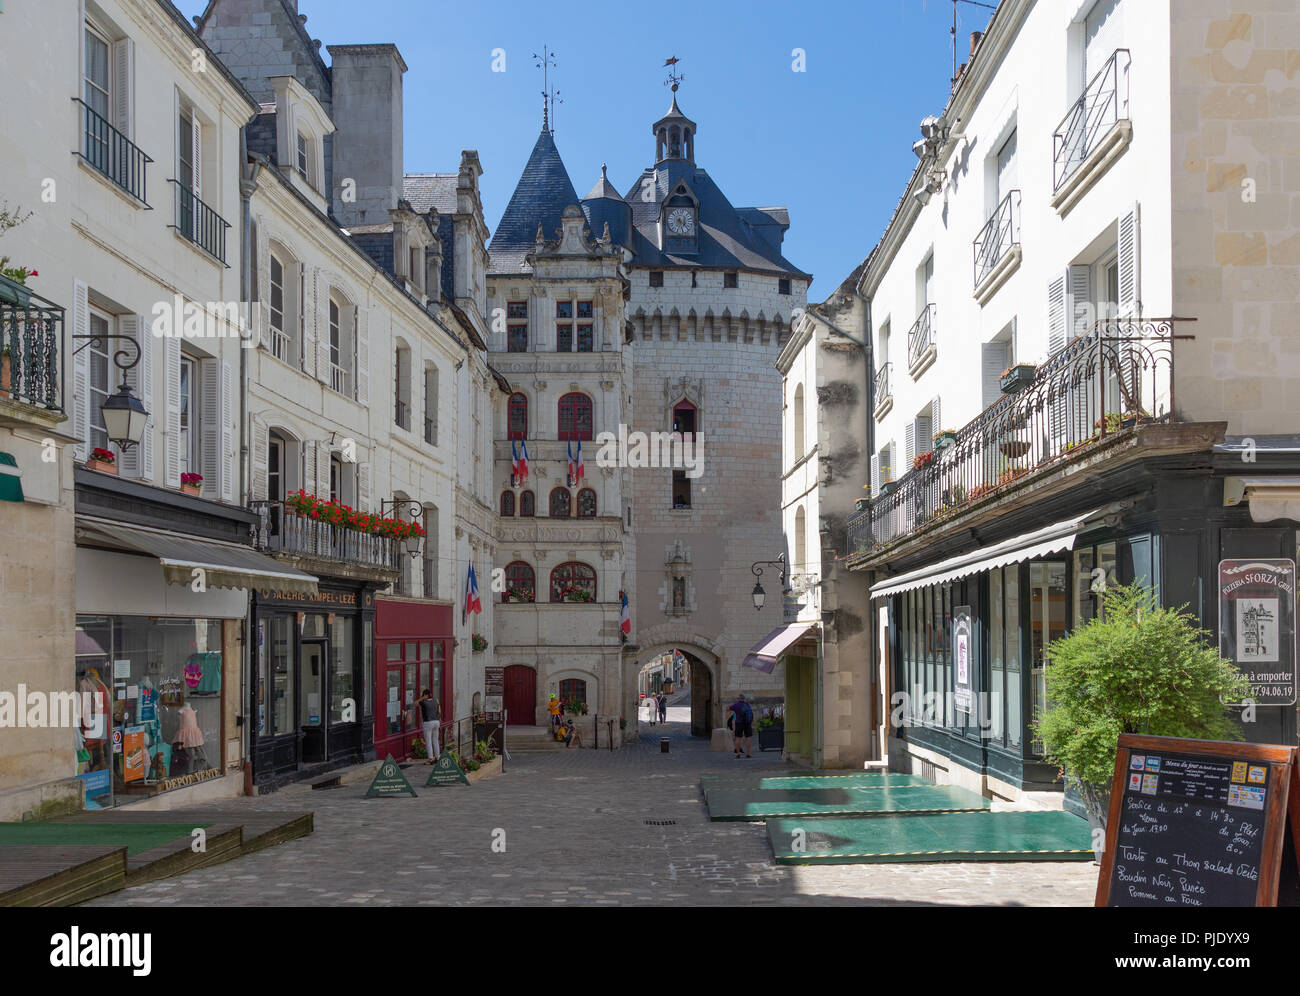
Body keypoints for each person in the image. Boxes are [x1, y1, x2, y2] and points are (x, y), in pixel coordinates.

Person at [416, 688, 441, 762]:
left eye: (423, 695)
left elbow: (415, 703)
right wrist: (438, 718)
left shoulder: (423, 702)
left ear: (425, 695)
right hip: (436, 721)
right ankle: (437, 756)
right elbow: (439, 711)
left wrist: (422, 698)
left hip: (428, 722)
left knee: (428, 741)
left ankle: (430, 758)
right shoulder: (436, 700)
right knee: (435, 740)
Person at [728, 693, 754, 758]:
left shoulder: (736, 705)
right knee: (748, 738)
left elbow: (728, 708)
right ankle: (748, 754)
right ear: (744, 699)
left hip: (739, 723)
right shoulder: (747, 705)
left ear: (739, 699)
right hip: (747, 723)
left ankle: (738, 754)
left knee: (738, 738)